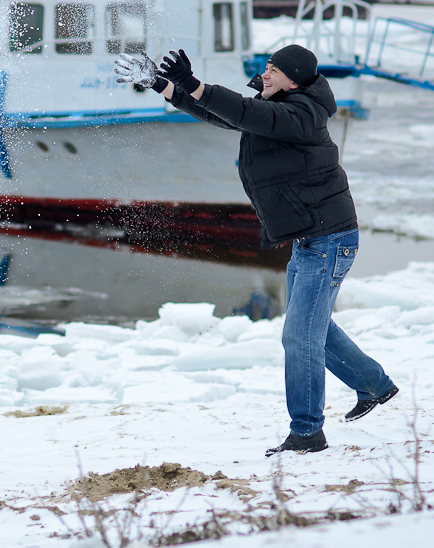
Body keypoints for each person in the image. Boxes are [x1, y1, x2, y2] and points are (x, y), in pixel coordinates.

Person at [116, 45, 397, 457]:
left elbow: (247, 114)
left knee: (299, 337)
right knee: (316, 328)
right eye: (266, 67)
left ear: (294, 80)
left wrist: (194, 83)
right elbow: (225, 116)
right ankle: (374, 385)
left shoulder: (300, 114)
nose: (265, 75)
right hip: (310, 237)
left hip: (328, 240)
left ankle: (307, 433)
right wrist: (165, 86)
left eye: (273, 70)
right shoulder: (280, 107)